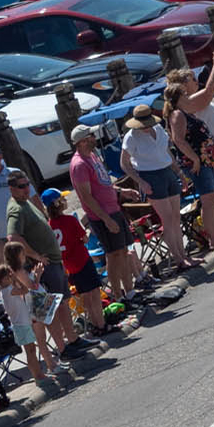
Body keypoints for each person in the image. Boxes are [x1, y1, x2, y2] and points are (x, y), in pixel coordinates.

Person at [4, 171, 102, 357]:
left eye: (27, 185)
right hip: (44, 266)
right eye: (21, 186)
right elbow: (13, 237)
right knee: (53, 308)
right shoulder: (16, 209)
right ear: (11, 189)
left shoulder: (25, 203)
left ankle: (73, 340)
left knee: (63, 302)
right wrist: (35, 255)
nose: (26, 189)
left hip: (54, 262)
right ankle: (63, 348)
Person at [120, 104, 203, 270]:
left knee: (176, 217)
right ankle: (178, 258)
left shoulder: (158, 129)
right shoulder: (131, 136)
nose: (146, 127)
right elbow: (124, 163)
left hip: (167, 172)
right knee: (167, 219)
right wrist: (140, 181)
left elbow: (167, 153)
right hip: (149, 175)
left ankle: (184, 255)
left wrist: (179, 174)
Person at [163, 61, 214, 252]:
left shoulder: (185, 112)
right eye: (184, 95)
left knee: (211, 200)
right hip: (198, 162)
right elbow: (179, 140)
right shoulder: (177, 115)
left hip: (205, 159)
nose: (188, 96)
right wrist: (194, 158)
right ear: (178, 98)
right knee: (208, 201)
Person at [67, 125, 140, 303]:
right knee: (114, 255)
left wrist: (122, 191)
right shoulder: (79, 165)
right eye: (91, 135)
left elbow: (103, 184)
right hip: (102, 216)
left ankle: (129, 290)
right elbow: (87, 196)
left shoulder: (92, 156)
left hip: (113, 209)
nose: (94, 137)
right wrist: (106, 219)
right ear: (83, 141)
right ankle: (118, 294)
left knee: (123, 251)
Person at [42, 189, 110, 336]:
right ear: (58, 203)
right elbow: (85, 239)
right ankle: (101, 323)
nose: (66, 201)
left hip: (69, 265)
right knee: (94, 294)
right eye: (63, 199)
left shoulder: (48, 226)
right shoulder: (70, 220)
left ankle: (93, 324)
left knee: (85, 295)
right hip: (82, 260)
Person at [0, 263, 61, 381]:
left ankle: (39, 374)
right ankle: (38, 376)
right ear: (5, 278)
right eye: (9, 274)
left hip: (22, 324)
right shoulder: (9, 290)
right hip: (21, 325)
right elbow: (25, 289)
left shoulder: (6, 290)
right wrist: (17, 278)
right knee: (31, 352)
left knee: (31, 350)